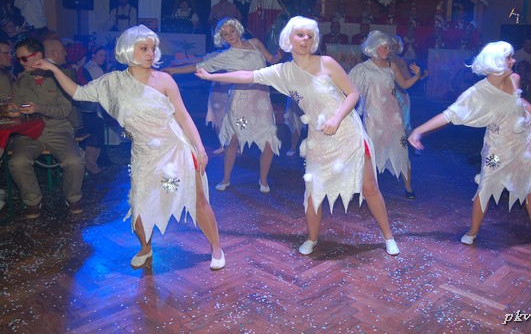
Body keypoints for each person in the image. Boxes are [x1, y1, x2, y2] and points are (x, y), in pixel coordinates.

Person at [194, 16, 400, 256]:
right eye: (300, 34)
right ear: (288, 39)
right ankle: (312, 238)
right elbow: (247, 76)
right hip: (319, 138)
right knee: (314, 191)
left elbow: (353, 94)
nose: (305, 39)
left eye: (310, 36)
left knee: (369, 187)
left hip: (347, 131)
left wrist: (336, 119)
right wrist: (211, 77)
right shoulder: (283, 72)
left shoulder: (326, 63)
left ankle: (388, 237)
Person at [32, 25, 225, 270]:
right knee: (139, 205)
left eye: (152, 48)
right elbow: (78, 92)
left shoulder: (164, 80)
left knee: (197, 199)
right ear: (127, 49)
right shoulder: (112, 82)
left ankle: (216, 248)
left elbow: (184, 116)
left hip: (175, 149)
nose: (150, 53)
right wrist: (53, 69)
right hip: (144, 154)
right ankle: (145, 248)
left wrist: (200, 150)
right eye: (143, 48)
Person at [408, 41, 531, 249]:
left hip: (525, 142)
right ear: (496, 61)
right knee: (486, 186)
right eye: (508, 57)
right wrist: (418, 131)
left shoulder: (515, 79)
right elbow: (450, 114)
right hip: (498, 148)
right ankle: (473, 231)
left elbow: (520, 101)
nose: (513, 61)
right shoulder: (478, 93)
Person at [165, 18, 282, 192]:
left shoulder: (255, 43)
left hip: (261, 101)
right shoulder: (225, 56)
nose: (230, 36)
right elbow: (198, 66)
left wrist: (280, 54)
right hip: (240, 101)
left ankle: (263, 181)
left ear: (238, 29)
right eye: (225, 34)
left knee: (268, 142)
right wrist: (173, 71)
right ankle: (226, 179)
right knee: (233, 141)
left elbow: (272, 60)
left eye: (232, 31)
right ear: (222, 38)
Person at [8, 38, 85, 219]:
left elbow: (64, 111)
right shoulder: (21, 83)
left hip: (58, 129)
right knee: (17, 162)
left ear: (38, 56)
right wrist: (14, 111)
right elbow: (18, 110)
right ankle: (32, 200)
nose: (20, 62)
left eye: (24, 58)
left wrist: (38, 108)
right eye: (18, 59)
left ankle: (73, 197)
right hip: (29, 133)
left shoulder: (59, 77)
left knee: (74, 161)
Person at [349, 31, 421, 198]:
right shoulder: (361, 69)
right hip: (373, 118)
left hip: (394, 116)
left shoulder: (391, 66)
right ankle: (365, 189)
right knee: (370, 153)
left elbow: (404, 84)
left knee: (401, 150)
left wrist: (417, 76)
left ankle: (408, 188)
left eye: (390, 48)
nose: (389, 51)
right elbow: (350, 90)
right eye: (385, 47)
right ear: (374, 47)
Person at [80, 46, 109, 174]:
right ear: (93, 55)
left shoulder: (87, 66)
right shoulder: (95, 69)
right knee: (97, 128)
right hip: (91, 107)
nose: (103, 58)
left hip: (86, 107)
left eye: (104, 55)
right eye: (101, 55)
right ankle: (93, 163)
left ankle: (93, 161)